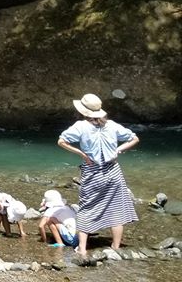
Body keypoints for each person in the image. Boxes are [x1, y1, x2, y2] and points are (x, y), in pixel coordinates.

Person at [58, 93, 140, 255]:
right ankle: (115, 247)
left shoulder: (80, 126)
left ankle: (82, 248)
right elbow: (134, 138)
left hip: (92, 173)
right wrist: (118, 149)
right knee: (116, 208)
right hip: (113, 171)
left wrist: (81, 154)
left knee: (87, 208)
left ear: (84, 112)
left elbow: (61, 141)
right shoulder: (111, 125)